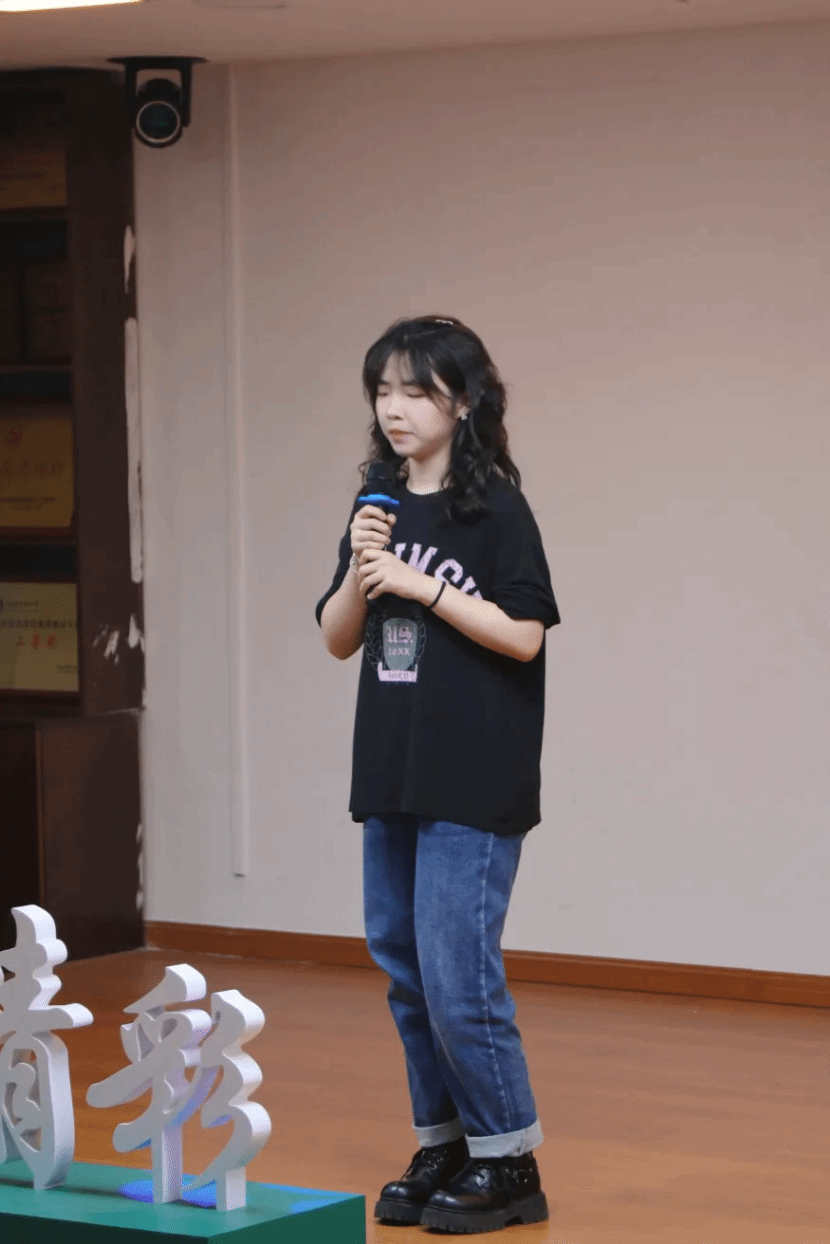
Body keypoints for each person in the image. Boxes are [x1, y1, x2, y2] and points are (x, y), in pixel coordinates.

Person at [315, 315, 560, 1234]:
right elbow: (338, 637)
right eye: (383, 390)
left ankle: (510, 1160)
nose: (395, 408)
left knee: (459, 974)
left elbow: (524, 634)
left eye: (417, 391)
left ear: (462, 402)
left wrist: (426, 588)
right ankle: (447, 1143)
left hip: (474, 772)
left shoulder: (494, 506)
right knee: (406, 968)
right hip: (392, 770)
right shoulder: (376, 505)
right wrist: (363, 566)